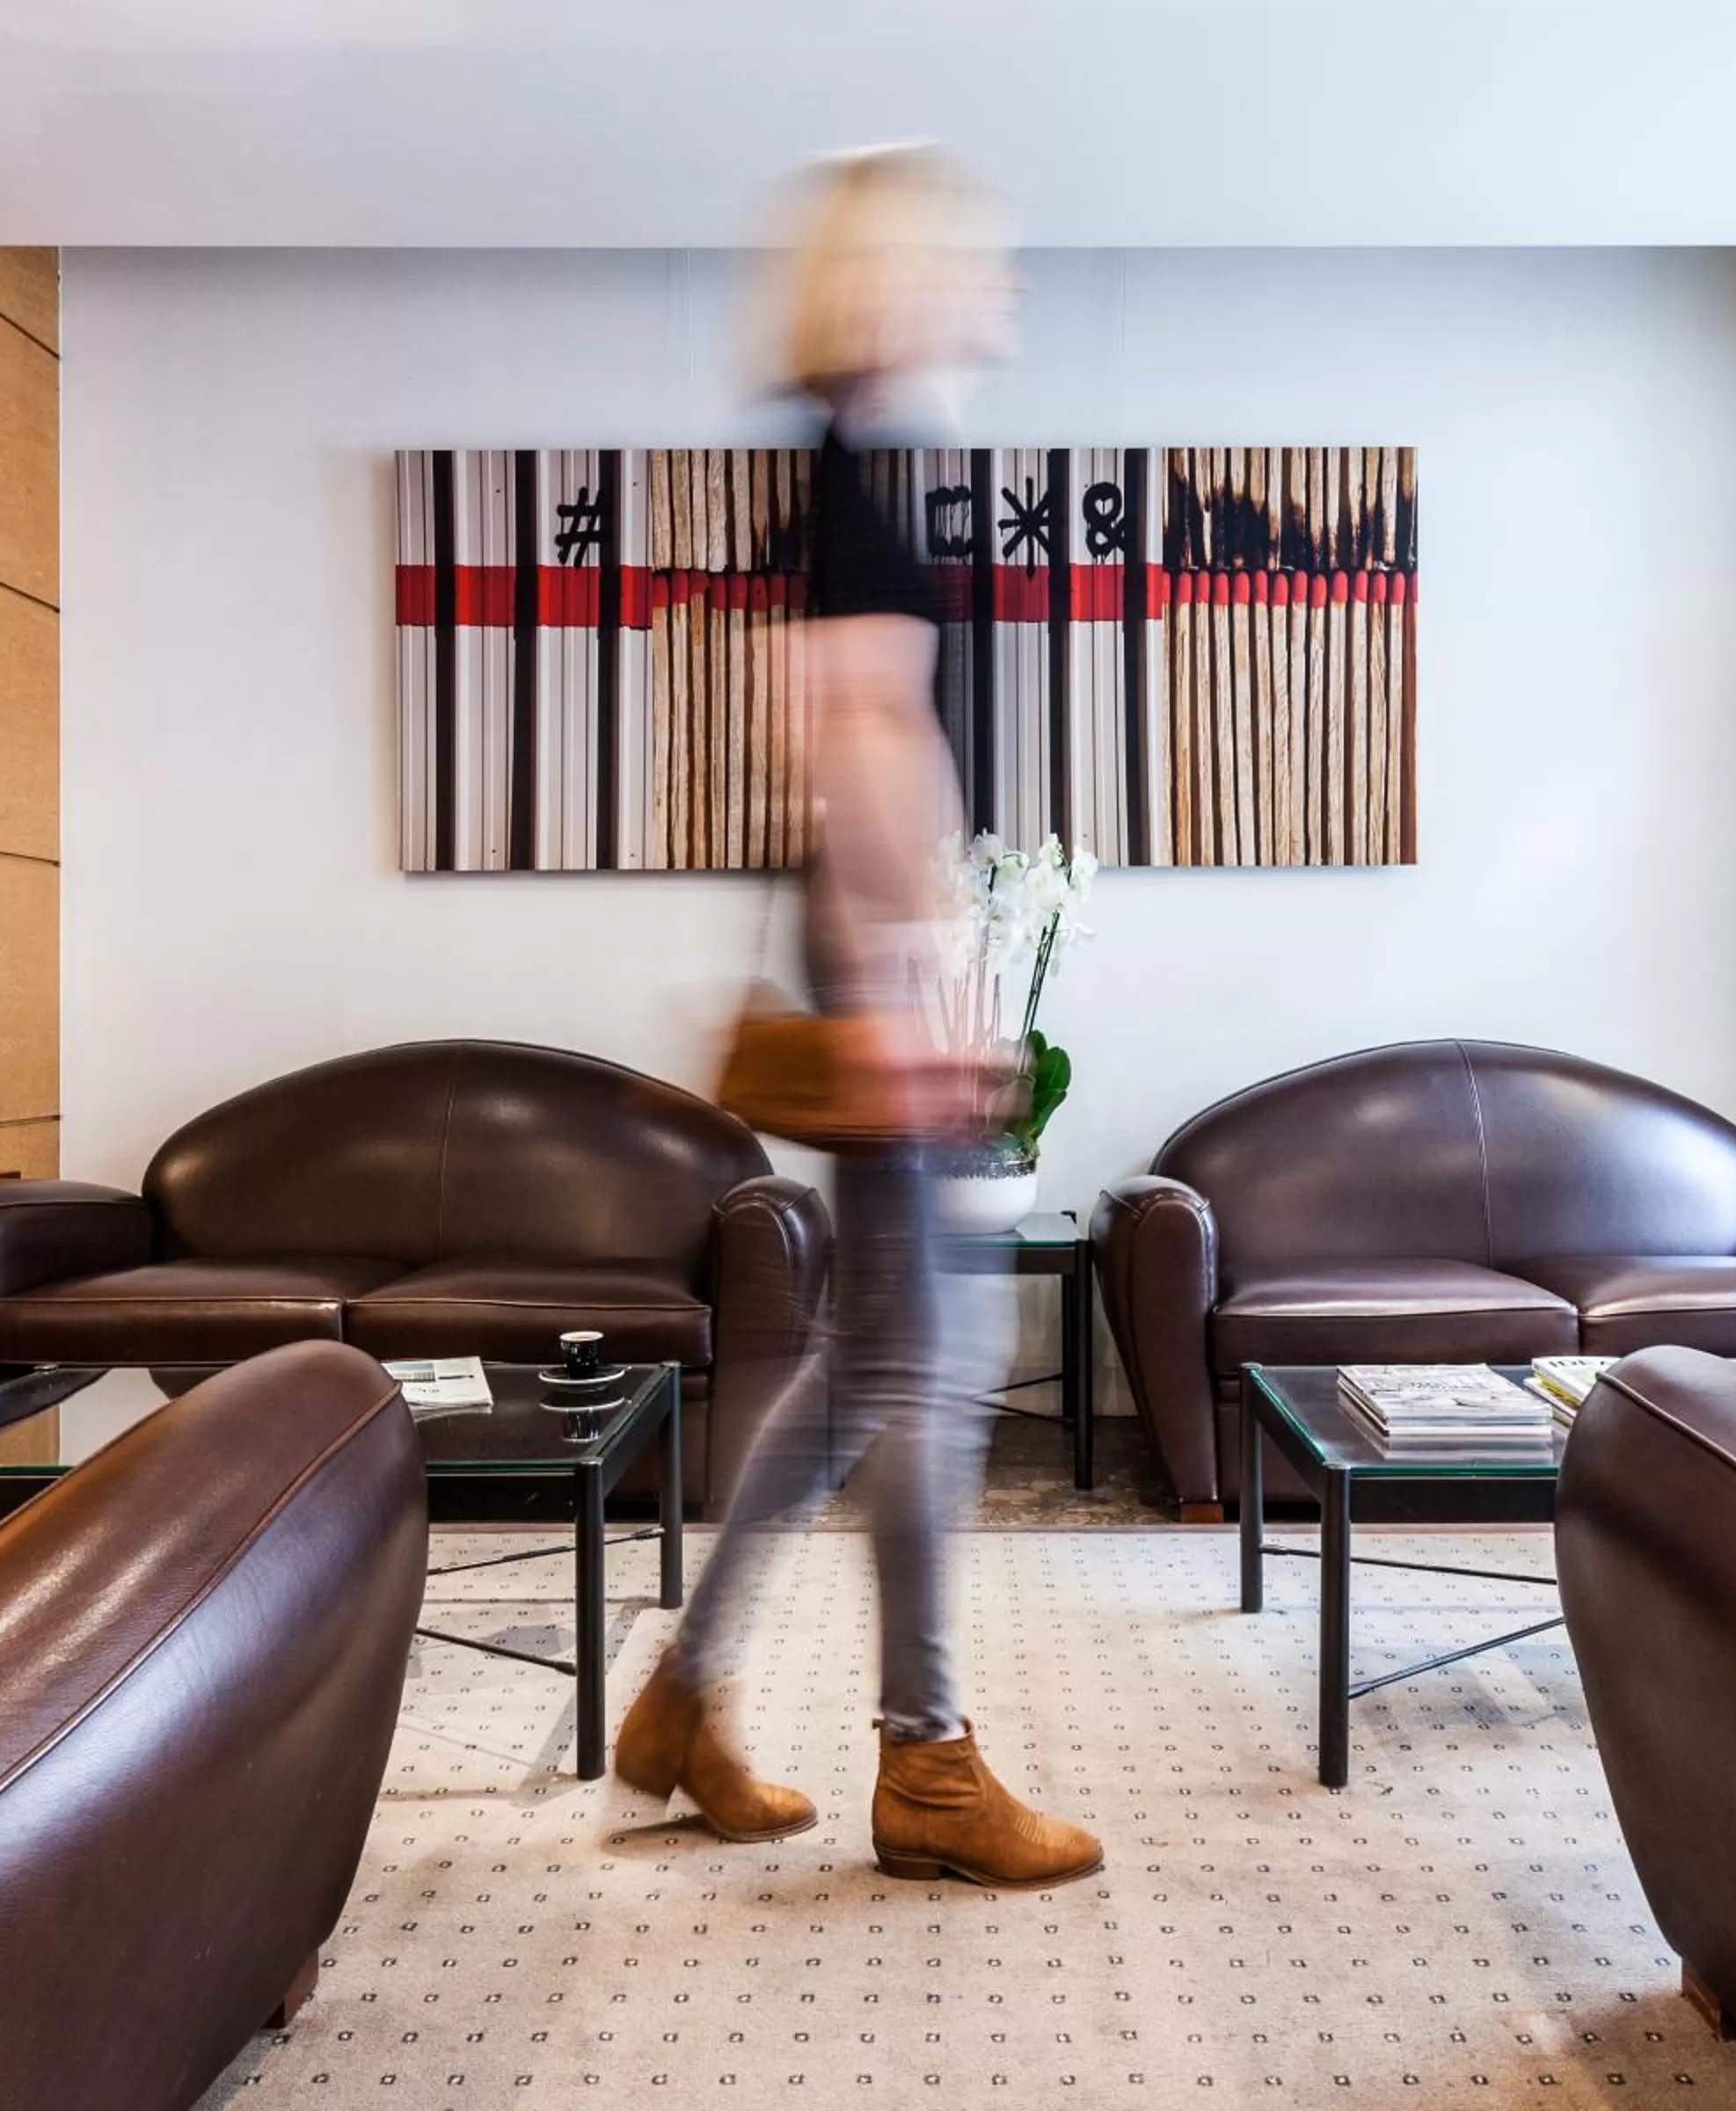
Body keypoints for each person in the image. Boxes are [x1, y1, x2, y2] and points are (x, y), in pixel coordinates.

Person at [614, 147, 1102, 1892]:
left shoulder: (838, 474)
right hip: (876, 979)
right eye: (982, 263)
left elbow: (815, 728)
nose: (1004, 290)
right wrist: (914, 979)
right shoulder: (861, 490)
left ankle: (684, 1700)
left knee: (857, 1375)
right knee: (928, 1374)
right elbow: (857, 737)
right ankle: (928, 1767)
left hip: (854, 966)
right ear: (899, 281)